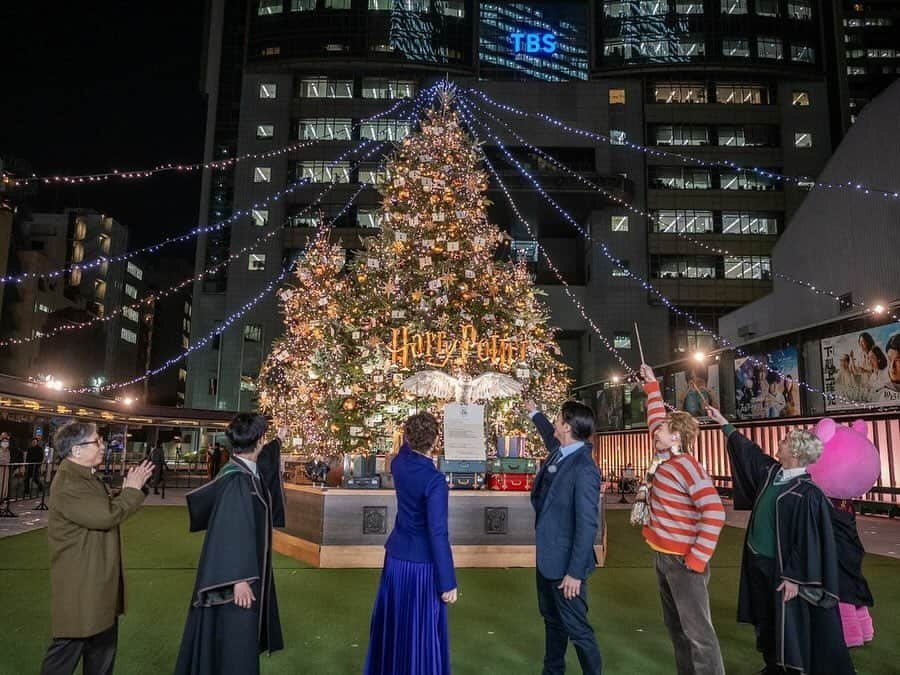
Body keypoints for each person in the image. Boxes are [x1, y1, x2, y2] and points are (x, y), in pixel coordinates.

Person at [704, 404, 855, 674]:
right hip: (757, 561)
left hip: (782, 570)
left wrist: (795, 577)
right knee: (764, 618)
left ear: (795, 453)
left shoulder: (807, 494)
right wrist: (723, 422)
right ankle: (772, 663)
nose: (780, 443)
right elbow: (749, 453)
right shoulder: (772, 473)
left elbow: (808, 542)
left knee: (785, 622)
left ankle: (787, 667)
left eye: (785, 441)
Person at [39, 421, 153, 675]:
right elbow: (105, 516)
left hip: (97, 580)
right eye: (96, 441)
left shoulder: (84, 476)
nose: (103, 445)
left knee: (101, 647)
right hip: (83, 581)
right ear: (76, 450)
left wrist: (130, 489)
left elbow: (103, 507)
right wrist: (132, 491)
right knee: (69, 645)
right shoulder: (70, 481)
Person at [175, 415, 285, 675]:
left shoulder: (239, 468)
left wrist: (278, 440)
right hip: (236, 577)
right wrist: (239, 580)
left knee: (227, 638)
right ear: (257, 441)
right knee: (235, 638)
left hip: (237, 570)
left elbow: (265, 461)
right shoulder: (237, 481)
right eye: (263, 438)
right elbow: (232, 531)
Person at [635, 365, 726, 675]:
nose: (654, 432)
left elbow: (714, 511)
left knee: (698, 634)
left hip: (683, 562)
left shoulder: (686, 466)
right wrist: (652, 388)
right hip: (664, 555)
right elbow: (655, 418)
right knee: (677, 630)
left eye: (661, 429)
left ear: (675, 435)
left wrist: (697, 559)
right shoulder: (664, 460)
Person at [364, 412, 457, 675]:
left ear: (406, 437)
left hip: (396, 557)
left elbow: (406, 446)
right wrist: (447, 581)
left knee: (396, 623)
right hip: (421, 565)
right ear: (436, 440)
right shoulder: (435, 480)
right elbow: (438, 533)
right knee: (421, 628)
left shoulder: (398, 463)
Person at [525, 398, 602, 675]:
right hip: (548, 559)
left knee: (578, 629)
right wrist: (535, 412)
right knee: (552, 622)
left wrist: (575, 573)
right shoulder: (562, 451)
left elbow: (586, 525)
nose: (555, 423)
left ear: (567, 427)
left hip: (567, 567)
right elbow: (549, 435)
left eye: (558, 419)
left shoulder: (584, 469)